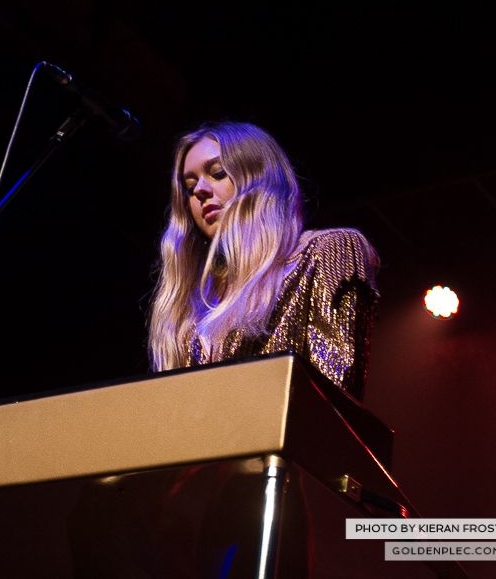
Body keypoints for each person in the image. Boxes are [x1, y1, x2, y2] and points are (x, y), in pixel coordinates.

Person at [149, 120, 380, 399]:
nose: (199, 190)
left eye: (218, 173)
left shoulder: (327, 250)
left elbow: (332, 392)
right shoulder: (195, 306)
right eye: (189, 186)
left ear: (259, 177)